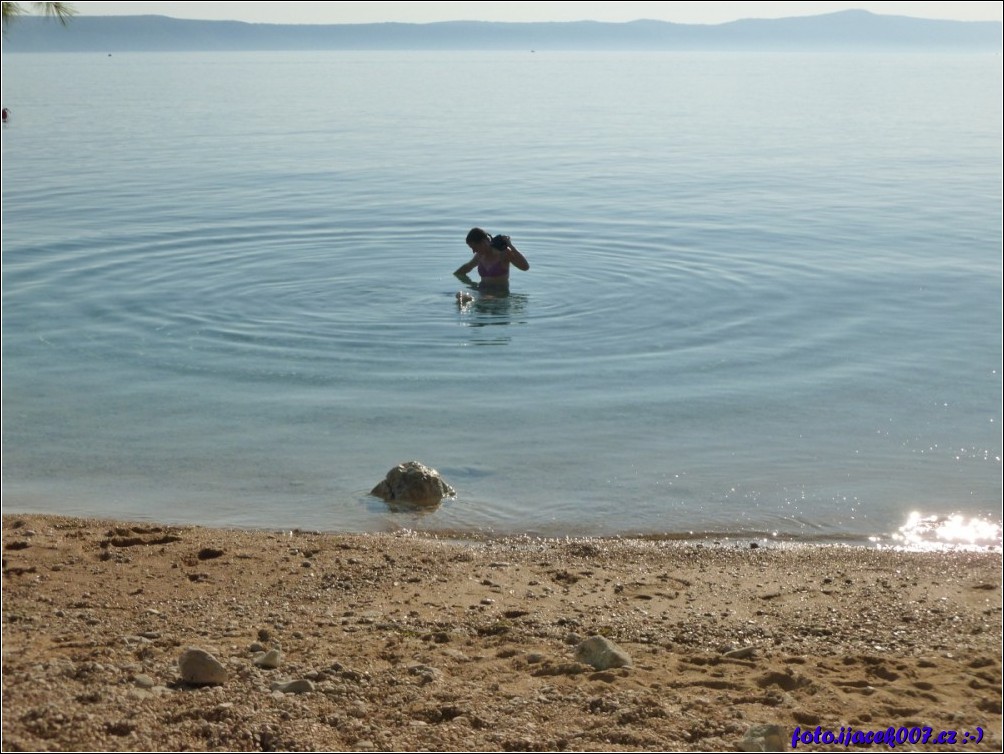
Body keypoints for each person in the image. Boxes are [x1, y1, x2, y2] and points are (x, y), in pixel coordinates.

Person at [454, 227, 529, 289]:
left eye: (474, 247)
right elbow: (467, 267)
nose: (473, 251)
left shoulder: (504, 254)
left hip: (499, 296)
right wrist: (455, 276)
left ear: (483, 242)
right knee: (460, 296)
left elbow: (525, 267)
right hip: (482, 292)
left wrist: (510, 246)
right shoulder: (479, 256)